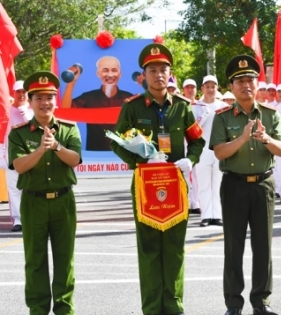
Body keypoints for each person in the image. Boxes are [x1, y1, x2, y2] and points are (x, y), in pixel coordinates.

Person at [110, 43, 205, 315]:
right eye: (152, 70)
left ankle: (174, 307)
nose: (158, 74)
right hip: (145, 185)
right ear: (144, 75)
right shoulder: (132, 107)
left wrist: (191, 160)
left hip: (175, 185)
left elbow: (197, 140)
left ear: (170, 73)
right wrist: (139, 161)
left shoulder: (183, 108)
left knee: (174, 249)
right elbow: (117, 142)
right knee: (149, 250)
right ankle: (152, 309)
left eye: (163, 69)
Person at [210, 55, 281, 315]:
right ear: (231, 87)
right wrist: (243, 138)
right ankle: (233, 303)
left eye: (251, 80)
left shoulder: (271, 114)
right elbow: (220, 152)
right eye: (240, 81)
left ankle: (261, 302)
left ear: (258, 83)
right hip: (234, 185)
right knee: (234, 246)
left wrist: (265, 138)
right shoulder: (222, 116)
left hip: (263, 185)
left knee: (263, 247)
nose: (246, 85)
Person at [8, 71, 82, 315]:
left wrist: (56, 146)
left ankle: (64, 309)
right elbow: (19, 166)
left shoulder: (69, 129)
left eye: (49, 97)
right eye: (38, 98)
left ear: (56, 100)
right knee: (35, 260)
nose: (45, 102)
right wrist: (40, 150)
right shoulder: (18, 133)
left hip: (63, 201)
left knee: (65, 260)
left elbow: (75, 160)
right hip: (33, 202)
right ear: (30, 102)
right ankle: (38, 309)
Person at [61, 55, 134, 151]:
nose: (110, 75)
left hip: (124, 157)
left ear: (120, 74)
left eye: (114, 70)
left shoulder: (129, 99)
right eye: (105, 70)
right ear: (98, 73)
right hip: (94, 159)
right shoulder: (88, 98)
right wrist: (71, 83)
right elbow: (65, 112)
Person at [192, 75, 229, 227]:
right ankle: (206, 215)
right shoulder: (195, 107)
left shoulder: (224, 107)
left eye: (213, 86)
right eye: (207, 86)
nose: (210, 89)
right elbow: (192, 131)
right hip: (202, 148)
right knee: (203, 183)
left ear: (217, 88)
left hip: (219, 148)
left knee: (218, 183)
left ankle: (218, 215)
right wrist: (202, 118)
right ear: (202, 89)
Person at [3, 80, 33, 232]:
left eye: (24, 92)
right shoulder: (7, 111)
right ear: (13, 93)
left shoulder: (33, 110)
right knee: (14, 189)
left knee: (31, 187)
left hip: (31, 156)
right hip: (11, 156)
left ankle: (32, 217)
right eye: (18, 92)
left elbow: (35, 129)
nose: (21, 94)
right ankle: (18, 220)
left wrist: (25, 112)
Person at [182, 78, 202, 214]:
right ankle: (188, 202)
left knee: (198, 174)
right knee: (186, 174)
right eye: (187, 87)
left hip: (198, 144)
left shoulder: (202, 107)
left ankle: (197, 203)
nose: (190, 90)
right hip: (183, 143)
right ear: (183, 90)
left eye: (192, 87)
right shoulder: (180, 106)